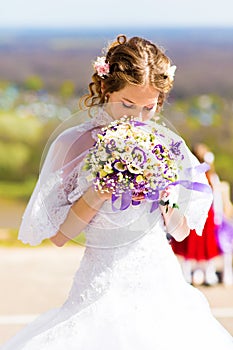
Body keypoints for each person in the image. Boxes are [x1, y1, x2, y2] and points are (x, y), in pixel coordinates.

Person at [1, 34, 232, 350]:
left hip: (161, 282)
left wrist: (166, 196)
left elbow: (179, 233)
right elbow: (59, 236)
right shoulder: (75, 144)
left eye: (148, 107)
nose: (136, 117)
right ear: (106, 89)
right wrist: (98, 192)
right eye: (126, 104)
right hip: (100, 283)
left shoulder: (167, 147)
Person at [171, 144, 222, 286]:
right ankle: (188, 273)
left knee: (207, 244)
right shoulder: (190, 172)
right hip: (192, 210)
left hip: (207, 213)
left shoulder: (211, 176)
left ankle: (208, 273)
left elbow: (215, 195)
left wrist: (218, 213)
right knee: (190, 243)